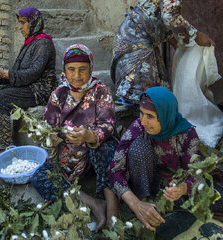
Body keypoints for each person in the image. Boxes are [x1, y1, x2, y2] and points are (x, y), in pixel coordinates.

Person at [108, 87, 223, 231]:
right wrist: (135, 203)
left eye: (150, 116)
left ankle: (163, 210)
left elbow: (197, 173)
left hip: (172, 191)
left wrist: (182, 188)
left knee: (218, 196)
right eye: (141, 114)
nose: (143, 121)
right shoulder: (138, 127)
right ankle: (145, 205)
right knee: (139, 147)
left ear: (165, 115)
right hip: (144, 184)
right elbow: (114, 169)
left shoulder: (186, 134)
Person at [31, 44, 119, 231]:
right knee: (39, 177)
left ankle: (112, 208)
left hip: (92, 159)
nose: (77, 75)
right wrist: (51, 140)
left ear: (91, 69)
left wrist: (90, 135)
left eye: (82, 69)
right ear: (64, 70)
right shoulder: (59, 95)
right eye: (71, 69)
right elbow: (47, 129)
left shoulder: (101, 92)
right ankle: (93, 202)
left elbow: (108, 125)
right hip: (66, 159)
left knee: (106, 148)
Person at [0, 7, 56, 152]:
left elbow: (33, 73)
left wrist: (3, 74)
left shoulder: (44, 43)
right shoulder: (30, 43)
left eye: (23, 23)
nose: (20, 27)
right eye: (19, 23)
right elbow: (17, 73)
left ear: (34, 22)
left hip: (40, 90)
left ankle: (3, 149)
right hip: (27, 86)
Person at [111, 0, 215, 107]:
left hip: (135, 36)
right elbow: (170, 17)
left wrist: (175, 42)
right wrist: (197, 36)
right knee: (143, 90)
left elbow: (158, 17)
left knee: (152, 87)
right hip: (136, 39)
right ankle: (140, 115)